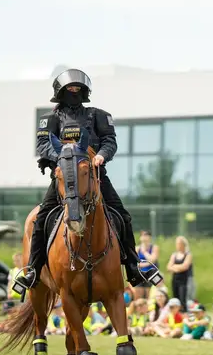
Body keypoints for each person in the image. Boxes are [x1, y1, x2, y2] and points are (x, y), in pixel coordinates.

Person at [14, 68, 162, 294]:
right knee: (42, 218)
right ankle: (33, 269)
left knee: (122, 215)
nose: (74, 92)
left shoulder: (98, 115)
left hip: (95, 176)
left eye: (78, 89)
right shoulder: (49, 119)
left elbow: (110, 141)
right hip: (63, 179)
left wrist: (102, 154)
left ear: (84, 92)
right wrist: (64, 159)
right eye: (70, 89)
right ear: (60, 92)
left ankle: (133, 266)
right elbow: (43, 146)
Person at [167, 236, 193, 311]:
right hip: (175, 279)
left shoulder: (188, 254)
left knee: (183, 299)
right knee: (175, 298)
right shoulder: (174, 255)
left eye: (179, 244)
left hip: (184, 280)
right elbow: (169, 267)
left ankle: (184, 312)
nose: (177, 245)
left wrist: (174, 266)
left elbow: (185, 266)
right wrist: (178, 268)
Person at [135, 231, 160, 301]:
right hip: (140, 274)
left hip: (152, 274)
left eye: (146, 235)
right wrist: (148, 263)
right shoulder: (137, 248)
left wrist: (144, 252)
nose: (145, 237)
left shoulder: (154, 247)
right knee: (138, 295)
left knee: (150, 296)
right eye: (143, 235)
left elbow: (153, 259)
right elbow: (135, 263)